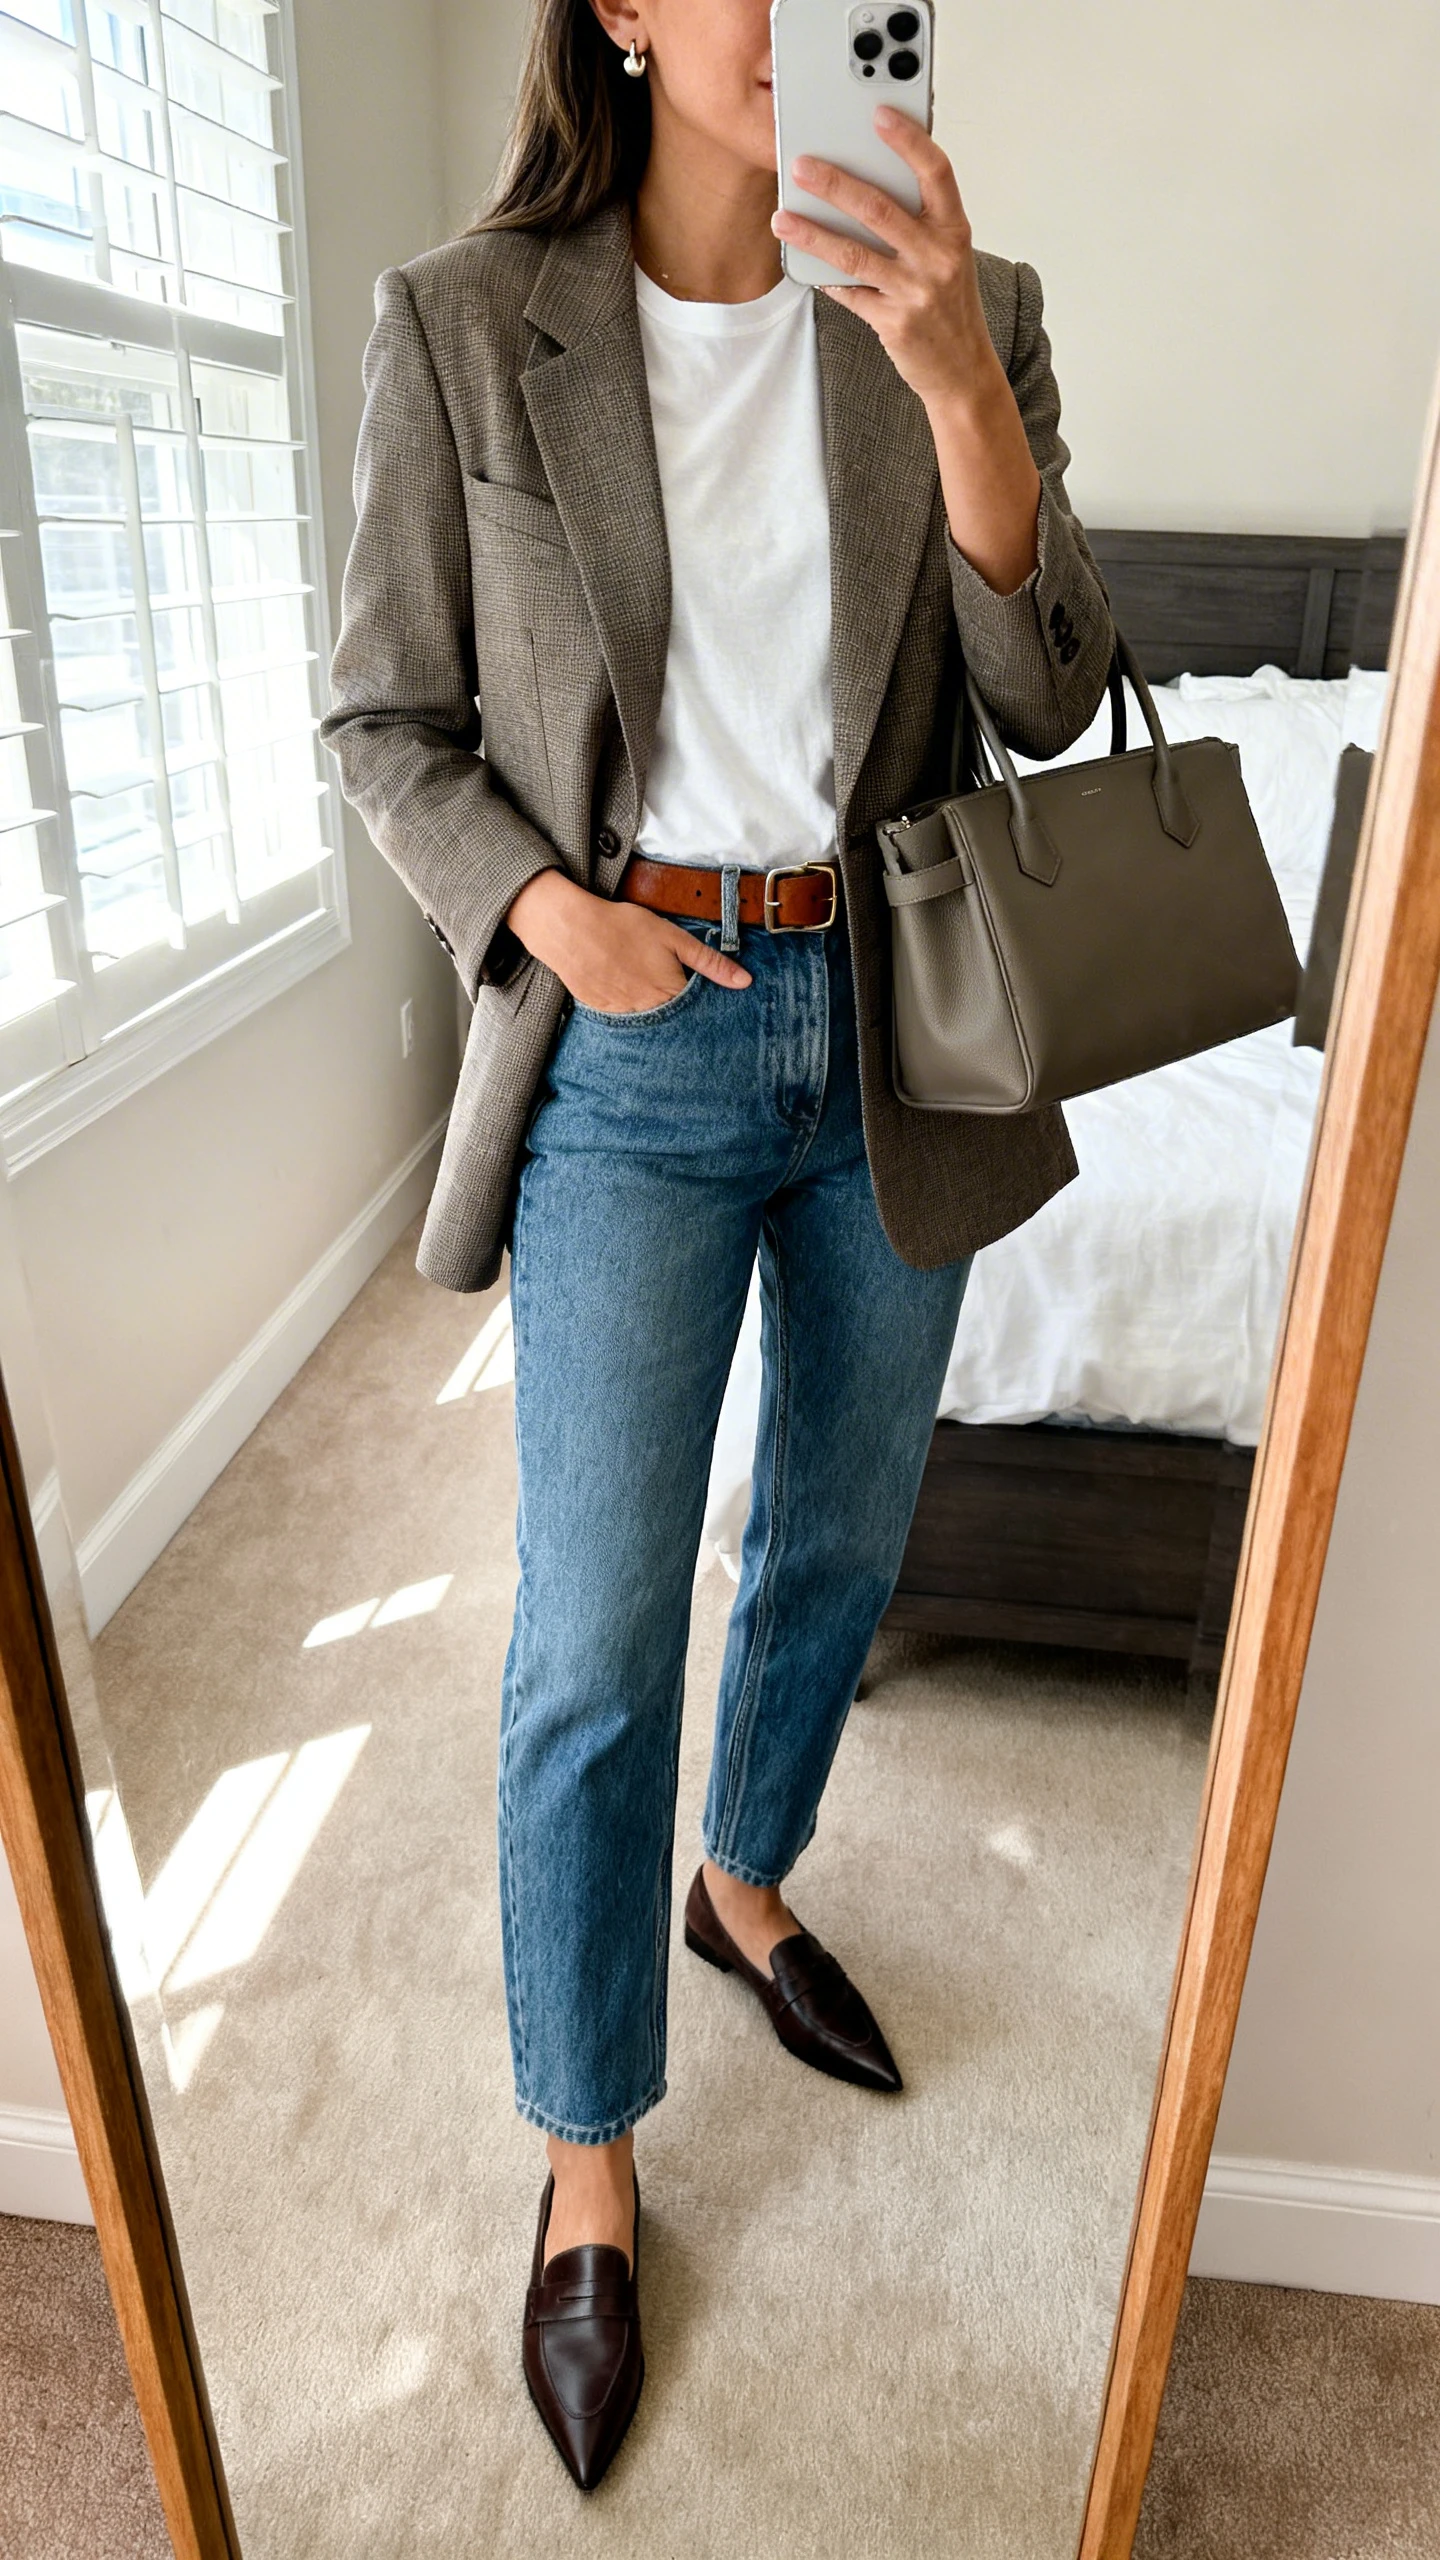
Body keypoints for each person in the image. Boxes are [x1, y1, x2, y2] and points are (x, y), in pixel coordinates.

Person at [321, 0, 1112, 2492]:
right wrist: (548, 914)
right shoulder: (466, 319)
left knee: (846, 1532)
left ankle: (742, 1878)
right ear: (627, 15)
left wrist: (957, 378)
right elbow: (383, 722)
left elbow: (1054, 688)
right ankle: (587, 2149)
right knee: (590, 1631)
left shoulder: (974, 304)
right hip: (634, 1038)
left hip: (899, 1019)